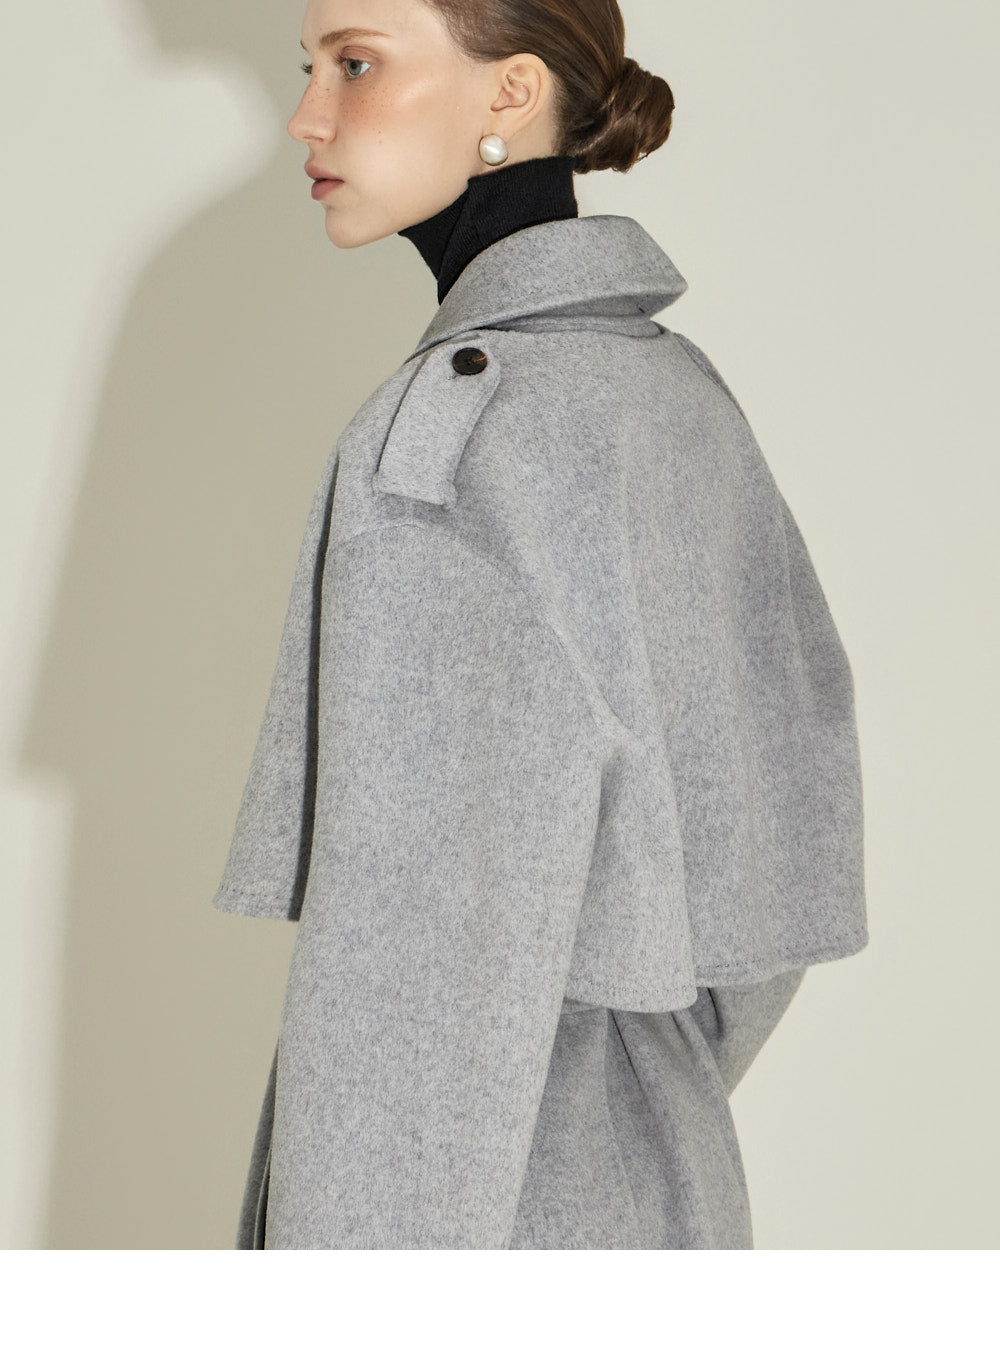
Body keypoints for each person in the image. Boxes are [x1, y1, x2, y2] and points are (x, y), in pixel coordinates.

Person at [211, 0, 869, 1249]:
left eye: (356, 64)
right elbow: (779, 860)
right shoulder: (674, 395)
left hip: (458, 1218)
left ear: (509, 94)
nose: (304, 116)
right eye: (308, 67)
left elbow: (415, 974)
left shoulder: (455, 434)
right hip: (659, 1178)